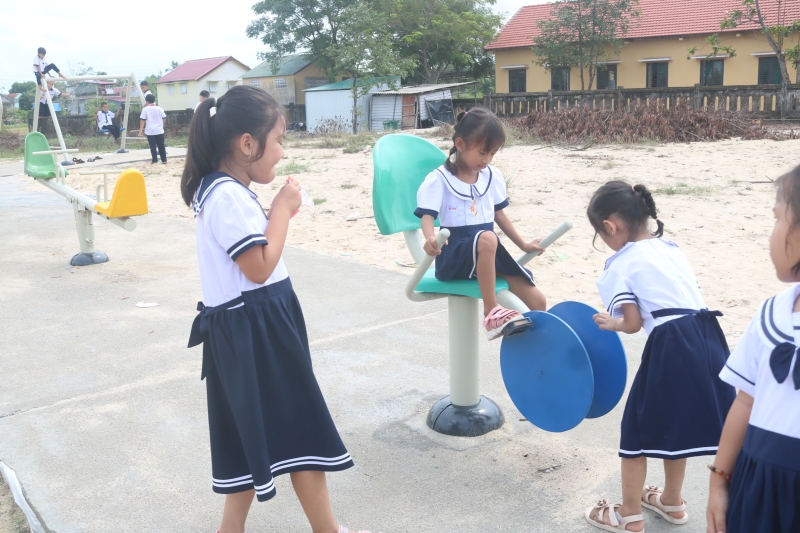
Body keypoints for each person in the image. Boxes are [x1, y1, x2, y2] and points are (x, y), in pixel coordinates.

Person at [181, 85, 374, 533]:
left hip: (247, 327)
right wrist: (283, 210)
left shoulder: (221, 190)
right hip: (257, 328)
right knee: (302, 429)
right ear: (247, 143)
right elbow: (258, 267)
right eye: (279, 139)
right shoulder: (227, 195)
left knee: (250, 438)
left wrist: (272, 215)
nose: (283, 153)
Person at [583, 181, 736, 532]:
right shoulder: (670, 248)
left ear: (610, 226)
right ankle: (671, 502)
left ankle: (629, 514)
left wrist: (613, 323)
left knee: (634, 430)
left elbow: (635, 324)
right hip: (708, 334)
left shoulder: (618, 264)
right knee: (675, 423)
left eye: (600, 234)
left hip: (672, 344)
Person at [706, 166, 800, 533]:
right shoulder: (771, 313)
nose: (772, 232)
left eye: (778, 218)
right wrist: (718, 480)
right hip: (757, 483)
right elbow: (745, 401)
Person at [415, 108, 546, 340]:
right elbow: (427, 217)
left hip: (487, 253)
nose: (487, 160)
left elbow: (500, 216)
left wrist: (524, 245)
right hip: (454, 257)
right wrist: (429, 239)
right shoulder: (440, 179)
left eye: (493, 154)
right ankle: (491, 312)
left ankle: (533, 347)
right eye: (483, 152)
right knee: (487, 238)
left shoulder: (491, 176)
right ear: (460, 144)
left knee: (537, 301)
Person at [138, 94, 167, 164]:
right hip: (159, 130)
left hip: (150, 131)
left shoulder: (145, 109)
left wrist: (141, 130)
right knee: (161, 145)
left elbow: (142, 120)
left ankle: (154, 160)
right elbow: (164, 118)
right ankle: (164, 160)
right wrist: (160, 124)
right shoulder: (160, 109)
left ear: (147, 101)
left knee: (152, 146)